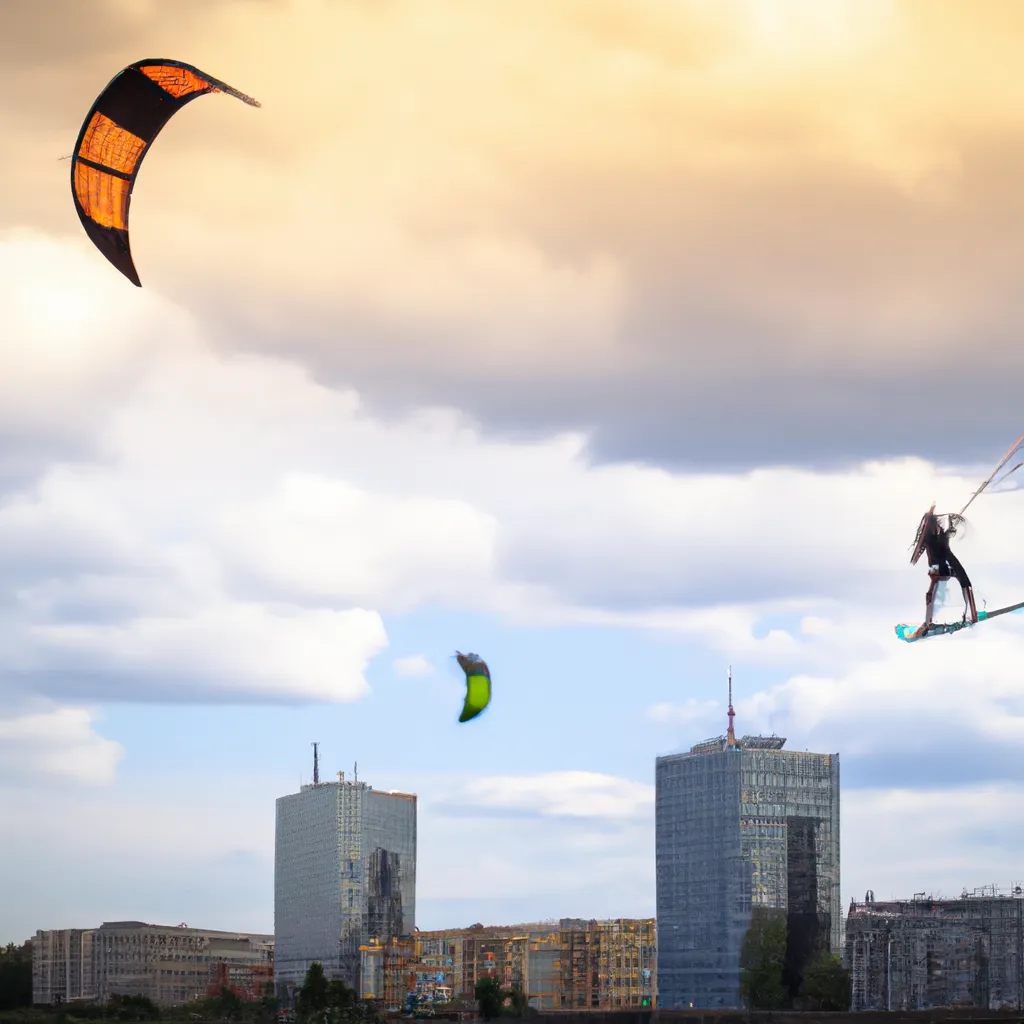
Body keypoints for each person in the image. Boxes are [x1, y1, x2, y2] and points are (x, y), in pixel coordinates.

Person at [907, 504, 977, 638]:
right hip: (937, 565)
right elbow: (922, 551)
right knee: (934, 590)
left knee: (964, 581)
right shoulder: (929, 537)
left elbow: (946, 536)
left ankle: (971, 614)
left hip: (945, 561)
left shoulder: (938, 534)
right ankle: (928, 623)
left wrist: (950, 528)